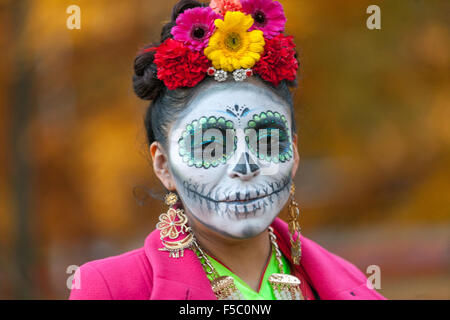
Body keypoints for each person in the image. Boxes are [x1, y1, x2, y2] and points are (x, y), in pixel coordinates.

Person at [69, 0, 386, 300]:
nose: (246, 166)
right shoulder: (112, 288)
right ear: (164, 166)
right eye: (210, 147)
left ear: (294, 151)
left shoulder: (352, 285)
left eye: (267, 142)